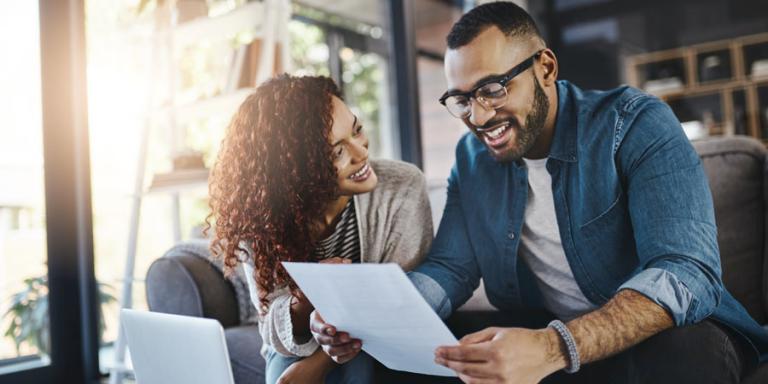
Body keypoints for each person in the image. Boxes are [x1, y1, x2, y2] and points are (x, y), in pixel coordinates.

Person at [310, 2, 768, 383]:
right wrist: (368, 321)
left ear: (545, 68)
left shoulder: (634, 125)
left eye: (492, 88)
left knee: (685, 351)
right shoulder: (472, 160)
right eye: (462, 99)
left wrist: (554, 347)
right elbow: (450, 268)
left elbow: (686, 272)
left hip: (658, 337)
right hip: (550, 336)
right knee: (408, 355)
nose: (479, 116)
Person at [206, 74, 433, 384]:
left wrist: (320, 362)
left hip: (384, 335)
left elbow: (403, 304)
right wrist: (306, 299)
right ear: (297, 172)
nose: (362, 153)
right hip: (300, 340)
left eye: (357, 130)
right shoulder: (260, 217)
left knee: (356, 372)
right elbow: (272, 326)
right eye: (337, 152)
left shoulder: (402, 186)